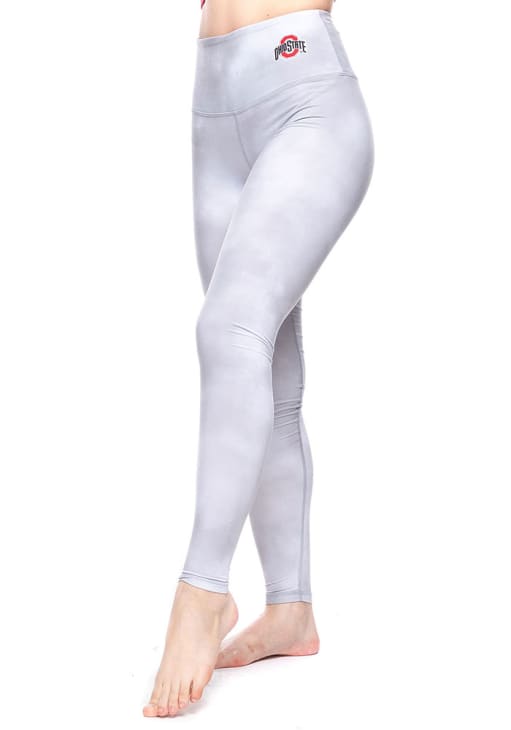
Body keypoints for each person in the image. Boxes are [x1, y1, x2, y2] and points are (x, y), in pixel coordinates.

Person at [143, 0, 374, 717]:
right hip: (212, 104)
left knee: (229, 329)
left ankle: (202, 591)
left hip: (305, 96)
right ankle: (290, 609)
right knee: (263, 361)